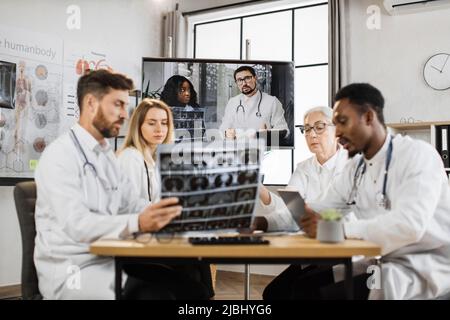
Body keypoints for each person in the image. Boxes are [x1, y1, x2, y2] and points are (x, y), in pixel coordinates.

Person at [34, 70, 208, 300]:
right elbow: (78, 225)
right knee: (159, 297)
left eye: (125, 107)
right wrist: (139, 221)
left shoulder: (105, 154)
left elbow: (133, 203)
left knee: (194, 291)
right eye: (117, 105)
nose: (124, 115)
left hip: (110, 260)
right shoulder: (60, 155)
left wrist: (177, 213)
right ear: (90, 103)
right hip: (75, 271)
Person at [278, 83, 450, 300]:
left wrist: (335, 229)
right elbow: (319, 207)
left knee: (316, 296)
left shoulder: (417, 155)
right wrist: (267, 223)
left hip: (424, 266)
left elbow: (409, 226)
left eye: (342, 122)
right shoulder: (357, 166)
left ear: (369, 117)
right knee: (296, 288)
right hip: (382, 263)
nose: (337, 133)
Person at [116, 98, 214, 299]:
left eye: (164, 122)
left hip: (152, 242)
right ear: (138, 126)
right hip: (131, 251)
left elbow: (165, 201)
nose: (159, 128)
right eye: (151, 123)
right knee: (196, 282)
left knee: (197, 267)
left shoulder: (155, 160)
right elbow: (133, 208)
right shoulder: (130, 158)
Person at [255, 106, 348, 233]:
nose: (312, 135)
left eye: (319, 127)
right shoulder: (304, 168)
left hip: (345, 242)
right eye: (307, 129)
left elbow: (360, 216)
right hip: (310, 244)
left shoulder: (354, 165)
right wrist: (256, 223)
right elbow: (289, 214)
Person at [219, 66, 288, 140]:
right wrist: (227, 133)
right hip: (237, 148)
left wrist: (267, 134)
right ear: (236, 83)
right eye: (239, 80)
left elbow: (284, 131)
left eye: (247, 78)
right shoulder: (232, 102)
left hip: (263, 148)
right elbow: (223, 128)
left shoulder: (272, 102)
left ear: (255, 78)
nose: (244, 83)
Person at [160, 75, 204, 141]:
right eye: (182, 90)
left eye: (189, 90)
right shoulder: (162, 110)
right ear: (173, 91)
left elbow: (201, 133)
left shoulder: (195, 109)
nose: (187, 93)